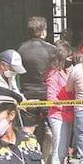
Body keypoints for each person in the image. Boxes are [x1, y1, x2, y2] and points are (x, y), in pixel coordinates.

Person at [17, 16, 56, 147]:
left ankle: (28, 157)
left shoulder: (21, 50)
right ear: (43, 31)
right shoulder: (51, 50)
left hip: (28, 94)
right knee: (55, 130)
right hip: (47, 93)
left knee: (27, 130)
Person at [44, 42, 75, 164]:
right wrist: (65, 105)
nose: (71, 58)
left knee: (63, 152)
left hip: (68, 115)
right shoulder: (53, 74)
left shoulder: (66, 71)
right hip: (58, 116)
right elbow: (51, 98)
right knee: (58, 151)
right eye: (68, 56)